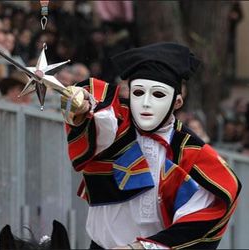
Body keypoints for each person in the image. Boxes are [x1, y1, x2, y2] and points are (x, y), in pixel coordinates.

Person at [60, 42, 241, 249]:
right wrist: (81, 105)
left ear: (177, 102)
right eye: (138, 93)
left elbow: (201, 218)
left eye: (158, 95)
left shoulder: (191, 153)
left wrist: (142, 248)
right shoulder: (117, 128)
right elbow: (97, 111)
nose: (146, 103)